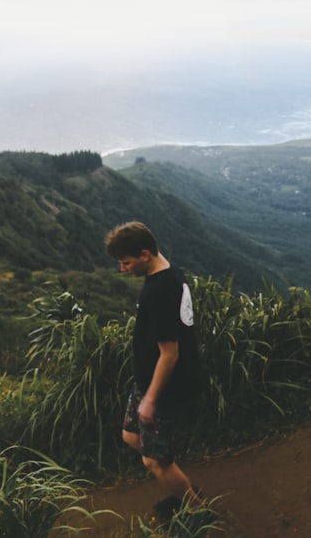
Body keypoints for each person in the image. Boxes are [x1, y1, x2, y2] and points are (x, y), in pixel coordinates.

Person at [104, 221, 202, 519]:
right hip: (147, 381)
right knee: (131, 437)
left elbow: (170, 354)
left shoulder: (159, 291)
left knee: (155, 460)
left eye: (126, 262)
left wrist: (151, 400)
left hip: (162, 388)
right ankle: (182, 489)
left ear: (145, 254)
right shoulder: (168, 273)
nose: (123, 269)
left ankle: (197, 510)